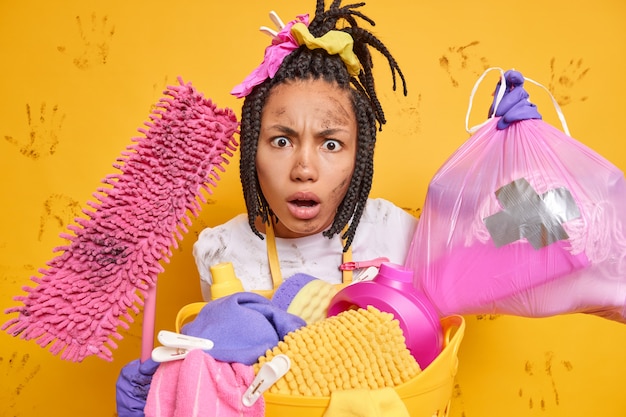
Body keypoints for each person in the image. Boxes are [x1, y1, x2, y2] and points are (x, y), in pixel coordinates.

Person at [193, 0, 417, 301]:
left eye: (331, 144)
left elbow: (499, 253)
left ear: (359, 156)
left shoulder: (398, 234)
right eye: (282, 141)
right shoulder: (220, 249)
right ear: (251, 150)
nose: (304, 170)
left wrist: (502, 156)